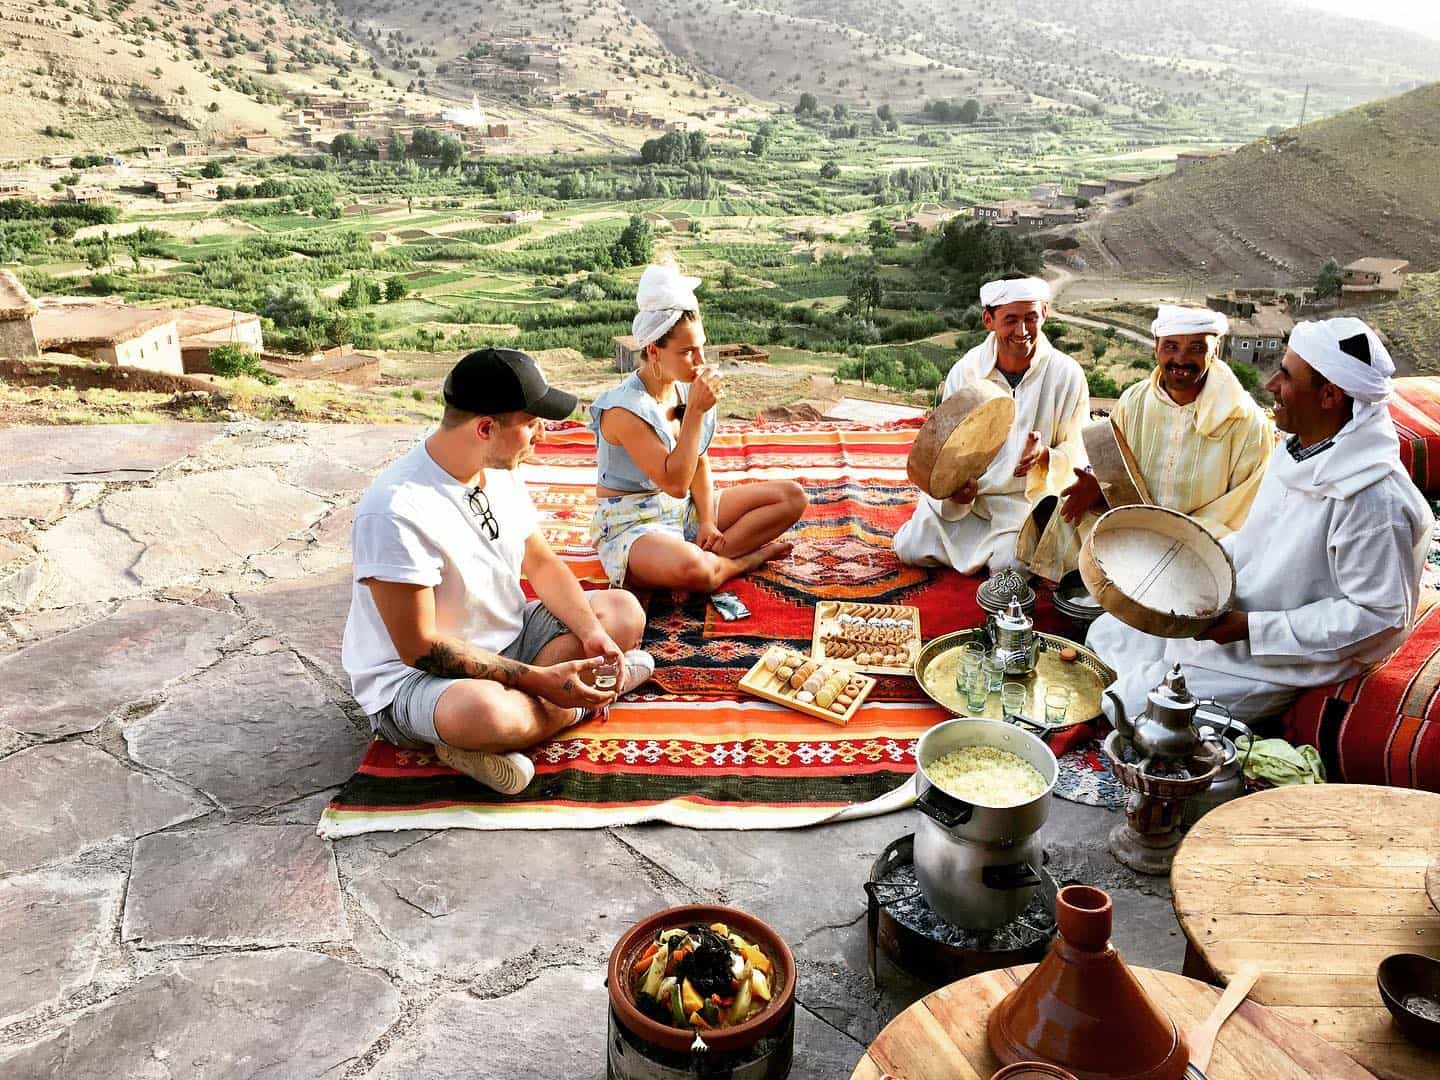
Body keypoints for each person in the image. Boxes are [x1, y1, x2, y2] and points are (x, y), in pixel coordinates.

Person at [341, 347, 655, 795]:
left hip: (509, 637)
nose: (542, 434)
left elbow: (543, 564)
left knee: (621, 612)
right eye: (531, 423)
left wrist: (591, 634)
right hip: (418, 678)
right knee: (483, 714)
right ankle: (566, 706)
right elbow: (418, 647)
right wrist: (541, 681)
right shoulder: (395, 509)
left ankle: (508, 730)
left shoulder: (497, 467)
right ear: (485, 428)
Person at [1088, 317, 1432, 723]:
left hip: (1288, 656)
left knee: (1126, 705)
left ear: (1329, 396)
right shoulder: (1297, 451)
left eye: (1286, 376)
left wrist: (1251, 628)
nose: (1270, 385)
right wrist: (1189, 575)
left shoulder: (1374, 500)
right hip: (1241, 614)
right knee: (1106, 634)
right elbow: (1258, 544)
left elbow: (1379, 619)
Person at [588, 262, 807, 592]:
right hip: (635, 524)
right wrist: (694, 414)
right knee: (697, 571)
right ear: (653, 352)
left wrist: (706, 521)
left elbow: (698, 463)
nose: (700, 361)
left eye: (701, 347)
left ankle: (708, 552)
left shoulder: (683, 387)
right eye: (688, 352)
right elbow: (675, 482)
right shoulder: (623, 410)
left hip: (681, 511)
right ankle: (742, 561)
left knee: (792, 497)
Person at [1018, 305, 1273, 582]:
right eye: (1171, 347)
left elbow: (1241, 515)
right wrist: (1099, 487)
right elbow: (1113, 473)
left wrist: (1169, 538)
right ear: (1156, 347)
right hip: (1132, 526)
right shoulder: (1133, 401)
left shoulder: (1247, 422)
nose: (1181, 359)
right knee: (1063, 510)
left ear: (1216, 349)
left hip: (1198, 544)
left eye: (1197, 348)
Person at [894, 276, 1089, 575]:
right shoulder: (966, 372)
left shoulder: (1067, 375)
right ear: (989, 319)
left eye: (1031, 318)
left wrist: (1045, 457)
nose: (1022, 331)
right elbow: (945, 447)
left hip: (1019, 501)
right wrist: (957, 489)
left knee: (1010, 566)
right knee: (908, 549)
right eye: (1010, 320)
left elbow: (1078, 449)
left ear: (1045, 314)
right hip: (969, 501)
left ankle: (1015, 549)